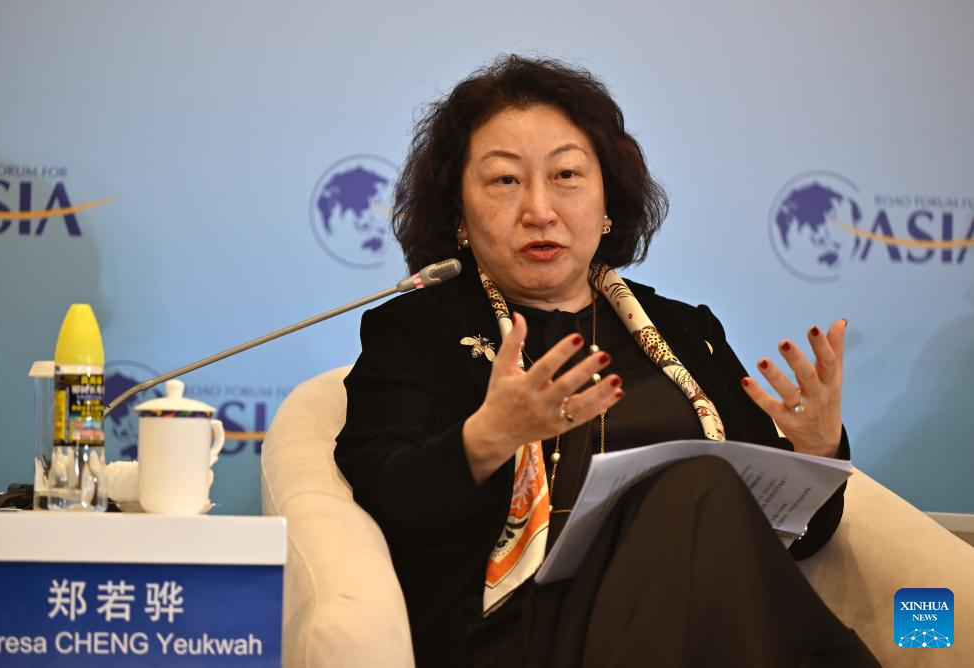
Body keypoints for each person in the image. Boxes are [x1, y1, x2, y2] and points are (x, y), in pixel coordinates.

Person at [334, 55, 877, 667]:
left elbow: (788, 540)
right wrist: (488, 438)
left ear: (608, 203)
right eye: (505, 180)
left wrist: (816, 453)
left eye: (566, 174)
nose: (540, 209)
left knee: (708, 504)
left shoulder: (683, 331)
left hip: (689, 621)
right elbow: (383, 496)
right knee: (700, 488)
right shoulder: (418, 329)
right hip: (520, 631)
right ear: (458, 214)